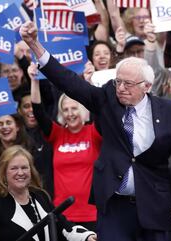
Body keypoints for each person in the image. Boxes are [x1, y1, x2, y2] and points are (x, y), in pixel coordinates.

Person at [20, 21, 171, 241]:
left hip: (154, 205)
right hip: (114, 207)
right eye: (118, 82)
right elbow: (69, 83)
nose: (121, 88)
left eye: (128, 84)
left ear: (147, 86)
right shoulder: (108, 99)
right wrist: (35, 45)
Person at [0, 145, 97, 241]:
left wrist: (86, 236)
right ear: (4, 173)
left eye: (24, 167)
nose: (20, 173)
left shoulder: (40, 196)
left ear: (31, 170)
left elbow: (63, 226)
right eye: (14, 168)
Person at [29, 63, 102, 230]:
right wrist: (34, 80)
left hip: (92, 213)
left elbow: (100, 109)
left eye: (74, 108)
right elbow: (39, 112)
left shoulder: (94, 132)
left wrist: (89, 83)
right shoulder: (57, 134)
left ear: (83, 109)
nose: (70, 113)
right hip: (62, 213)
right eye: (66, 109)